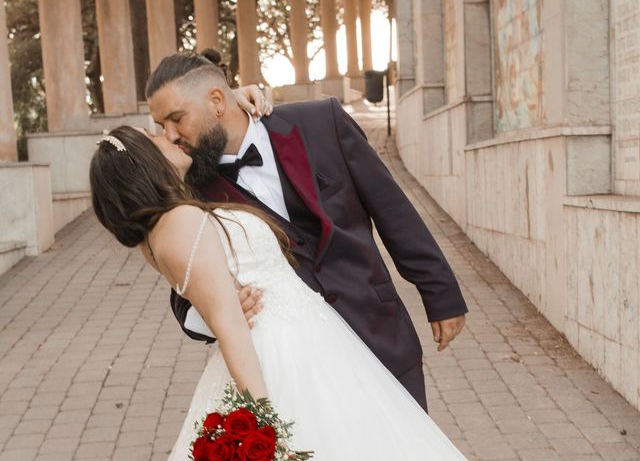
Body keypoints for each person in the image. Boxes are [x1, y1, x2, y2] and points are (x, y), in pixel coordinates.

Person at [90, 126, 468, 460]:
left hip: (313, 344)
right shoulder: (181, 221)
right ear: (143, 162)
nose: (167, 135)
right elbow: (228, 322)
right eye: (153, 137)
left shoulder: (163, 228)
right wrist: (264, 426)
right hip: (284, 355)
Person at [145, 51, 468, 412]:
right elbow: (182, 281)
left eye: (176, 119)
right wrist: (217, 311)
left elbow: (391, 209)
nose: (170, 135)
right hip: (294, 369)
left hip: (379, 333)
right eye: (161, 125)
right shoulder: (190, 190)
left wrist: (440, 294)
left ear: (217, 100)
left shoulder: (321, 122)